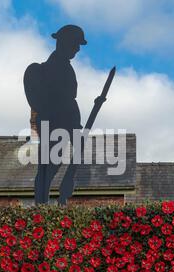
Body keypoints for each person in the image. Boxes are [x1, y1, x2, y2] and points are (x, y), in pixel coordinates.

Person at [24, 25, 105, 205]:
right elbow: (60, 100)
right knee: (49, 165)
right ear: (64, 42)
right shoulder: (52, 68)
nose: (77, 49)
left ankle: (56, 198)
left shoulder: (65, 67)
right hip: (56, 120)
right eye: (75, 44)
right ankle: (42, 204)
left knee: (61, 162)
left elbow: (69, 100)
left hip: (68, 120)